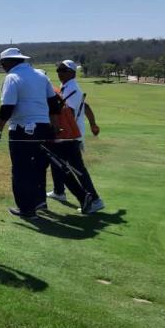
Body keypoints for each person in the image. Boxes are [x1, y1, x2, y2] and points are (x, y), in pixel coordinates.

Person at [0, 48, 60, 219]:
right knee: (38, 167)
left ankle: (26, 209)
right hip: (44, 128)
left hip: (22, 130)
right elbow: (54, 104)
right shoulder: (41, 76)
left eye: (3, 63)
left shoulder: (12, 78)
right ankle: (39, 201)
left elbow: (7, 108)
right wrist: (54, 126)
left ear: (10, 62)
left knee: (21, 170)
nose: (3, 67)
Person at [46, 60, 106, 214]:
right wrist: (93, 124)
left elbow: (68, 113)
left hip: (69, 135)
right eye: (59, 70)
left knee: (77, 169)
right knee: (56, 162)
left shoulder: (71, 88)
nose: (60, 73)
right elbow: (85, 106)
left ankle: (95, 199)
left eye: (64, 70)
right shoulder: (67, 87)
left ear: (72, 73)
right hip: (68, 134)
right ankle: (59, 191)